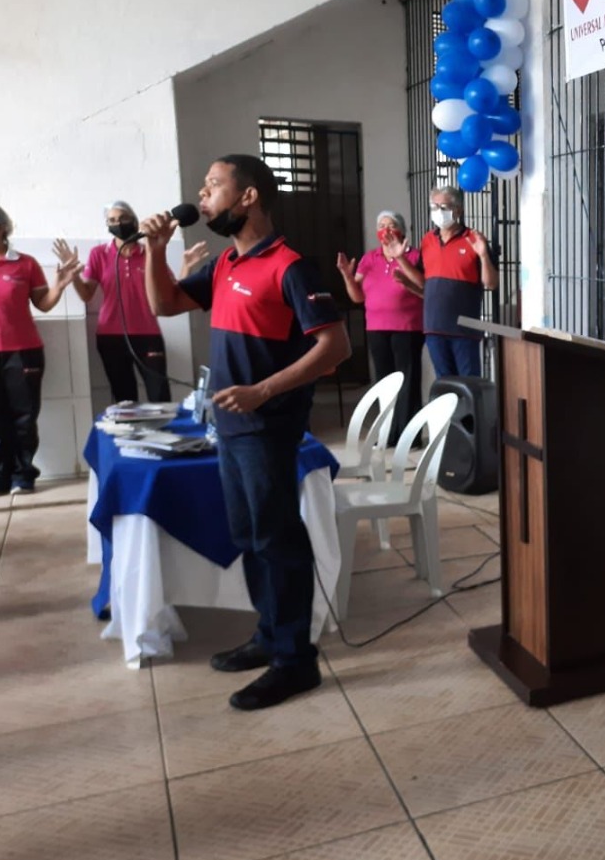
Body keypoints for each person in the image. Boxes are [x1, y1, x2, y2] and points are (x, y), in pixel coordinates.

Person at [142, 154, 351, 711]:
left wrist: (262, 391)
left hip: (267, 427)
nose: (203, 196)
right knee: (250, 537)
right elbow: (164, 303)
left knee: (277, 540)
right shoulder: (225, 265)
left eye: (214, 186)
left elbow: (335, 346)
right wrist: (154, 250)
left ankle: (295, 660)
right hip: (230, 429)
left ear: (249, 195)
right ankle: (270, 634)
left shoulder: (290, 266)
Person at [0, 205, 81, 496]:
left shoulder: (25, 264)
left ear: (1, 228)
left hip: (23, 351)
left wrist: (60, 285)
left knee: (24, 417)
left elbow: (43, 303)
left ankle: (23, 476)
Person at [70, 201, 173, 405]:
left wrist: (186, 265)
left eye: (123, 218)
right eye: (112, 220)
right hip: (111, 337)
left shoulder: (150, 252)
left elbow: (170, 287)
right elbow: (86, 294)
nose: (118, 223)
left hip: (148, 334)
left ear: (134, 220)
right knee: (125, 400)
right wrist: (73, 276)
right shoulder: (98, 253)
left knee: (160, 396)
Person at [391, 186, 497, 380]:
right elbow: (423, 281)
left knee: (469, 384)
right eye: (434, 206)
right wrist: (400, 258)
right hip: (435, 326)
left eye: (444, 207)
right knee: (445, 385)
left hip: (465, 329)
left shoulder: (474, 240)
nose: (438, 211)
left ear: (458, 210)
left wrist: (483, 256)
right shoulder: (428, 240)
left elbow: (491, 284)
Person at [336, 211, 424, 442]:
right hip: (376, 328)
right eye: (381, 225)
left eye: (391, 225)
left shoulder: (414, 255)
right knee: (384, 382)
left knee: (407, 382)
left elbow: (423, 286)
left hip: (408, 327)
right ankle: (387, 434)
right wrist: (346, 276)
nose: (385, 229)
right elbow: (357, 297)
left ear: (401, 230)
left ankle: (409, 436)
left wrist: (400, 258)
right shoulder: (369, 258)